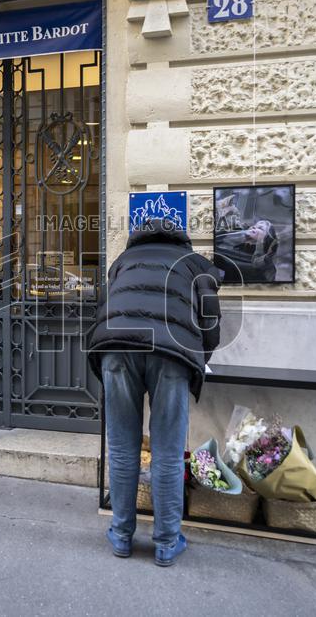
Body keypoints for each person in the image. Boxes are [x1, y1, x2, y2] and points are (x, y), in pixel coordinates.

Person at [87, 218, 222, 567]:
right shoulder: (193, 264)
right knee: (167, 450)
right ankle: (166, 541)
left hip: (116, 347)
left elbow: (105, 307)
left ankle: (120, 535)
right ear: (181, 238)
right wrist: (199, 357)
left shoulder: (122, 262)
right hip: (170, 354)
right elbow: (210, 324)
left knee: (121, 447)